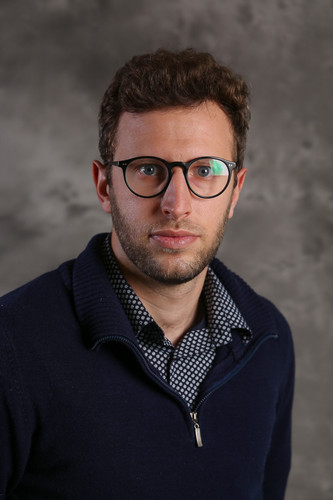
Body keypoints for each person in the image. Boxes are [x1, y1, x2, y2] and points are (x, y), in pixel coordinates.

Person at [0, 49, 294, 500]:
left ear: (234, 191)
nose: (177, 204)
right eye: (149, 170)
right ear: (104, 186)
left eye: (205, 171)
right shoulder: (12, 345)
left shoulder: (269, 339)